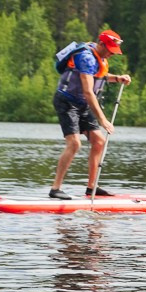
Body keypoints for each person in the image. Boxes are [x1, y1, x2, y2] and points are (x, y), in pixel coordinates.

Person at [50, 29, 132, 200]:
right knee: (74, 144)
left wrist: (117, 78)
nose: (111, 54)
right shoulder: (85, 57)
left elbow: (98, 75)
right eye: (109, 49)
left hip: (83, 104)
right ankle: (55, 188)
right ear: (101, 44)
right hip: (68, 102)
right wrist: (103, 120)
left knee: (99, 141)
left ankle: (91, 187)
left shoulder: (99, 56)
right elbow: (88, 91)